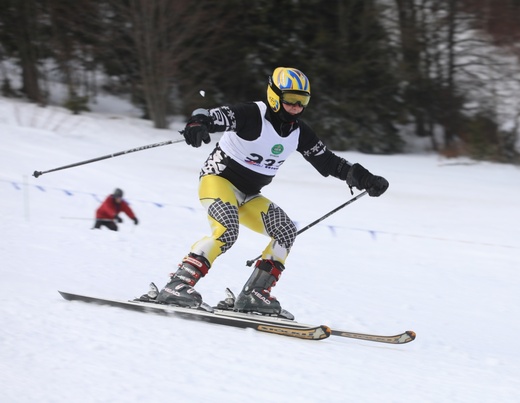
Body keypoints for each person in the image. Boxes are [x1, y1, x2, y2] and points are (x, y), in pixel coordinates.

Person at [155, 67, 388, 318]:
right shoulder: (252, 114)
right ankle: (176, 286)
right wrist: (197, 123)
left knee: (285, 230)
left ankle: (254, 294)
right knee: (227, 231)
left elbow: (329, 162)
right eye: (291, 101)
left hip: (249, 195)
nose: (297, 107)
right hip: (218, 181)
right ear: (275, 96)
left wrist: (365, 178)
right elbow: (209, 114)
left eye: (303, 101)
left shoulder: (299, 132)